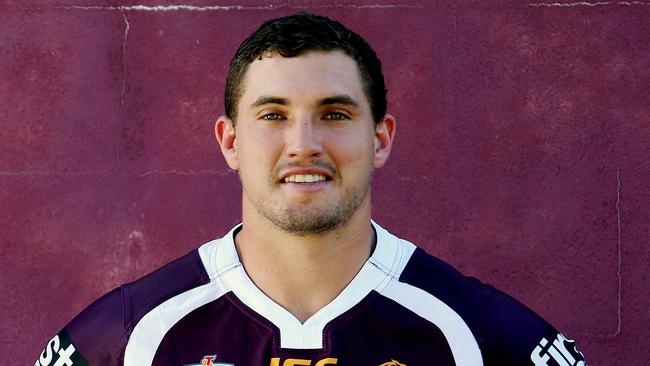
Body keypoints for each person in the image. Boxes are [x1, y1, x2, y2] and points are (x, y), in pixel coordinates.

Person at [35, 12, 586, 366]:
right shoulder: (133, 334)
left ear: (381, 138)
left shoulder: (475, 333)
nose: (304, 144)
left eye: (335, 114)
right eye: (273, 114)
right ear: (230, 141)